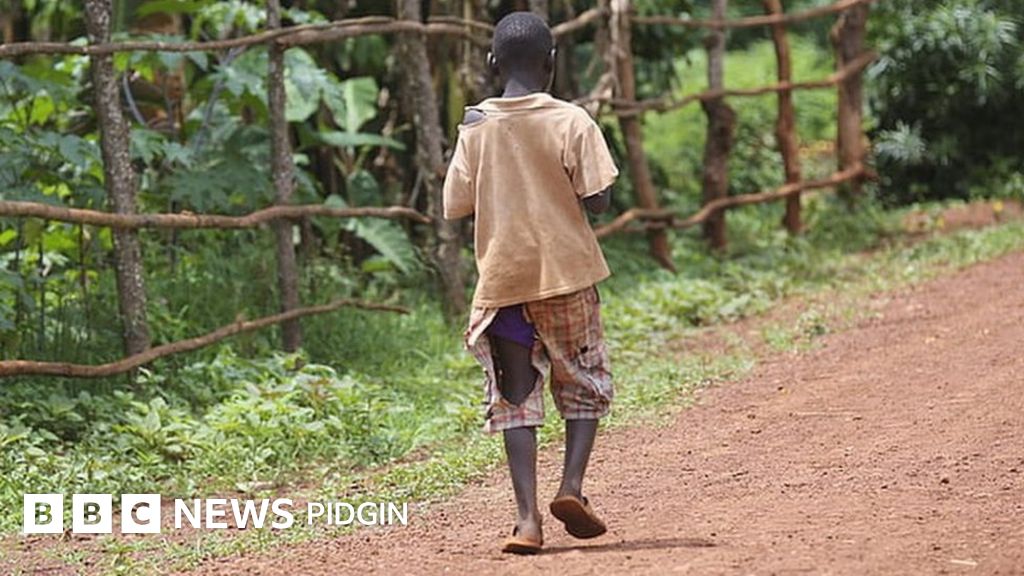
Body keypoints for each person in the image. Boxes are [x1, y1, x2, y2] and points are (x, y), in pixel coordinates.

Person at [442, 11, 619, 555]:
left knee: (515, 396)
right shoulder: (572, 121)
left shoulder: (475, 127)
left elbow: (456, 204)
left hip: (504, 284)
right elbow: (599, 199)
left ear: (492, 62)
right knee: (582, 379)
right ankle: (571, 488)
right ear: (552, 62)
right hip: (567, 277)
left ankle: (526, 521)